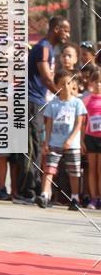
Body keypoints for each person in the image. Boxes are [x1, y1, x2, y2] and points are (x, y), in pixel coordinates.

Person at [18, 16, 70, 202]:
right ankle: (26, 191)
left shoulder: (48, 49)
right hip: (32, 101)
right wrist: (62, 95)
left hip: (38, 101)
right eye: (65, 29)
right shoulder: (43, 48)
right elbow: (47, 78)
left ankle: (31, 187)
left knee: (37, 145)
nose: (68, 34)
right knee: (32, 146)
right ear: (56, 29)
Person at [36, 72, 86, 210]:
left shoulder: (78, 103)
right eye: (62, 84)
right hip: (55, 142)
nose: (65, 86)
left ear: (73, 85)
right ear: (57, 86)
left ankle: (75, 197)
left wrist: (70, 139)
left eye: (68, 83)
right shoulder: (53, 104)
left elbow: (79, 124)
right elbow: (49, 124)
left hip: (72, 143)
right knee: (49, 169)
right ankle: (45, 195)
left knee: (74, 171)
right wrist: (46, 142)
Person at [81, 68, 101, 210]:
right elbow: (83, 121)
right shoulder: (86, 99)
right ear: (91, 83)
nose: (99, 84)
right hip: (90, 137)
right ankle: (94, 198)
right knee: (92, 169)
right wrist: (81, 140)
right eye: (96, 81)